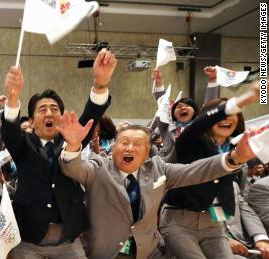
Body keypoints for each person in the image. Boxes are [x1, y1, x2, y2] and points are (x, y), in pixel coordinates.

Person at [56, 112, 256, 259]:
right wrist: (73, 146)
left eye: (137, 145)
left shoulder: (158, 169)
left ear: (147, 153)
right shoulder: (99, 167)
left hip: (148, 252)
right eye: (124, 142)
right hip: (104, 252)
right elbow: (74, 169)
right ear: (114, 146)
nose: (130, 148)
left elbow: (195, 171)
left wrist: (235, 157)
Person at [1, 48, 116, 258]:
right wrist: (13, 98)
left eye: (54, 109)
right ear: (31, 120)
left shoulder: (72, 139)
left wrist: (100, 84)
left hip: (67, 238)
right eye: (42, 109)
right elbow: (9, 131)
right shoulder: (22, 144)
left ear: (62, 117)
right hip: (28, 238)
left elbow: (92, 114)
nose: (49, 113)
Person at [160, 83, 261, 259]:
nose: (227, 118)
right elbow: (201, 122)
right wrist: (241, 100)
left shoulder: (239, 147)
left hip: (214, 224)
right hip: (179, 221)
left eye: (233, 115)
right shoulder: (190, 141)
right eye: (222, 114)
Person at [226, 182, 269, 259]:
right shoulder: (199, 184)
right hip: (213, 244)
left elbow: (246, 211)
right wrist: (225, 240)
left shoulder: (233, 184)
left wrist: (260, 238)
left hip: (245, 242)